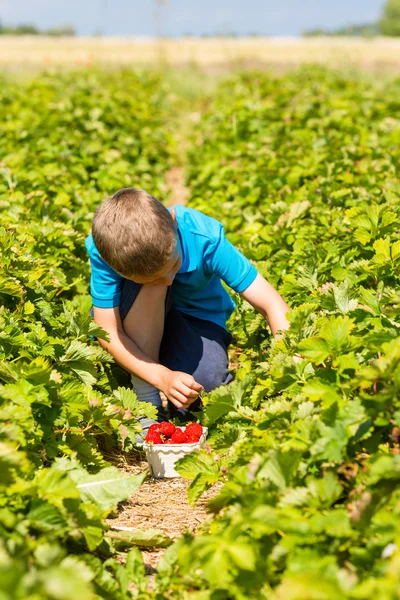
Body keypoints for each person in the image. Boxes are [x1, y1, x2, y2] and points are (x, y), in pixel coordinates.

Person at [85, 187, 290, 436]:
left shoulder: (202, 236)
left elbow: (271, 303)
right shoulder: (104, 251)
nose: (170, 280)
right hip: (135, 315)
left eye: (174, 265)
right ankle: (146, 401)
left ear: (173, 222)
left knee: (204, 389)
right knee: (154, 286)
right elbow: (108, 331)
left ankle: (168, 371)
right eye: (157, 275)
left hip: (195, 318)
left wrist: (290, 365)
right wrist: (160, 378)